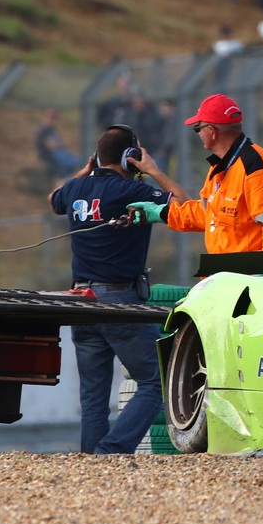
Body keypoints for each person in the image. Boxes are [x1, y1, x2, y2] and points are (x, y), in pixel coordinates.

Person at [49, 125, 168, 454]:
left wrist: (82, 173)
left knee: (93, 399)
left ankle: (93, 465)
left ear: (96, 157)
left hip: (80, 302)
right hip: (118, 301)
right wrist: (154, 171)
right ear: (131, 158)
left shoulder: (75, 189)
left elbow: (53, 199)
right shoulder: (130, 192)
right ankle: (112, 452)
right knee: (158, 380)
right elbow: (185, 205)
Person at [125, 93, 263, 253]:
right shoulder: (220, 168)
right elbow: (207, 214)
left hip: (247, 281)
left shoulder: (254, 166)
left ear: (211, 131)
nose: (198, 133)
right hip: (227, 279)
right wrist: (161, 212)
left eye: (197, 128)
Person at [35, 106, 81, 177]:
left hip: (59, 158)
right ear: (44, 117)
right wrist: (60, 144)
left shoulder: (51, 130)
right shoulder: (43, 131)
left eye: (54, 118)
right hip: (51, 160)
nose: (52, 120)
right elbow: (51, 145)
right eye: (50, 117)